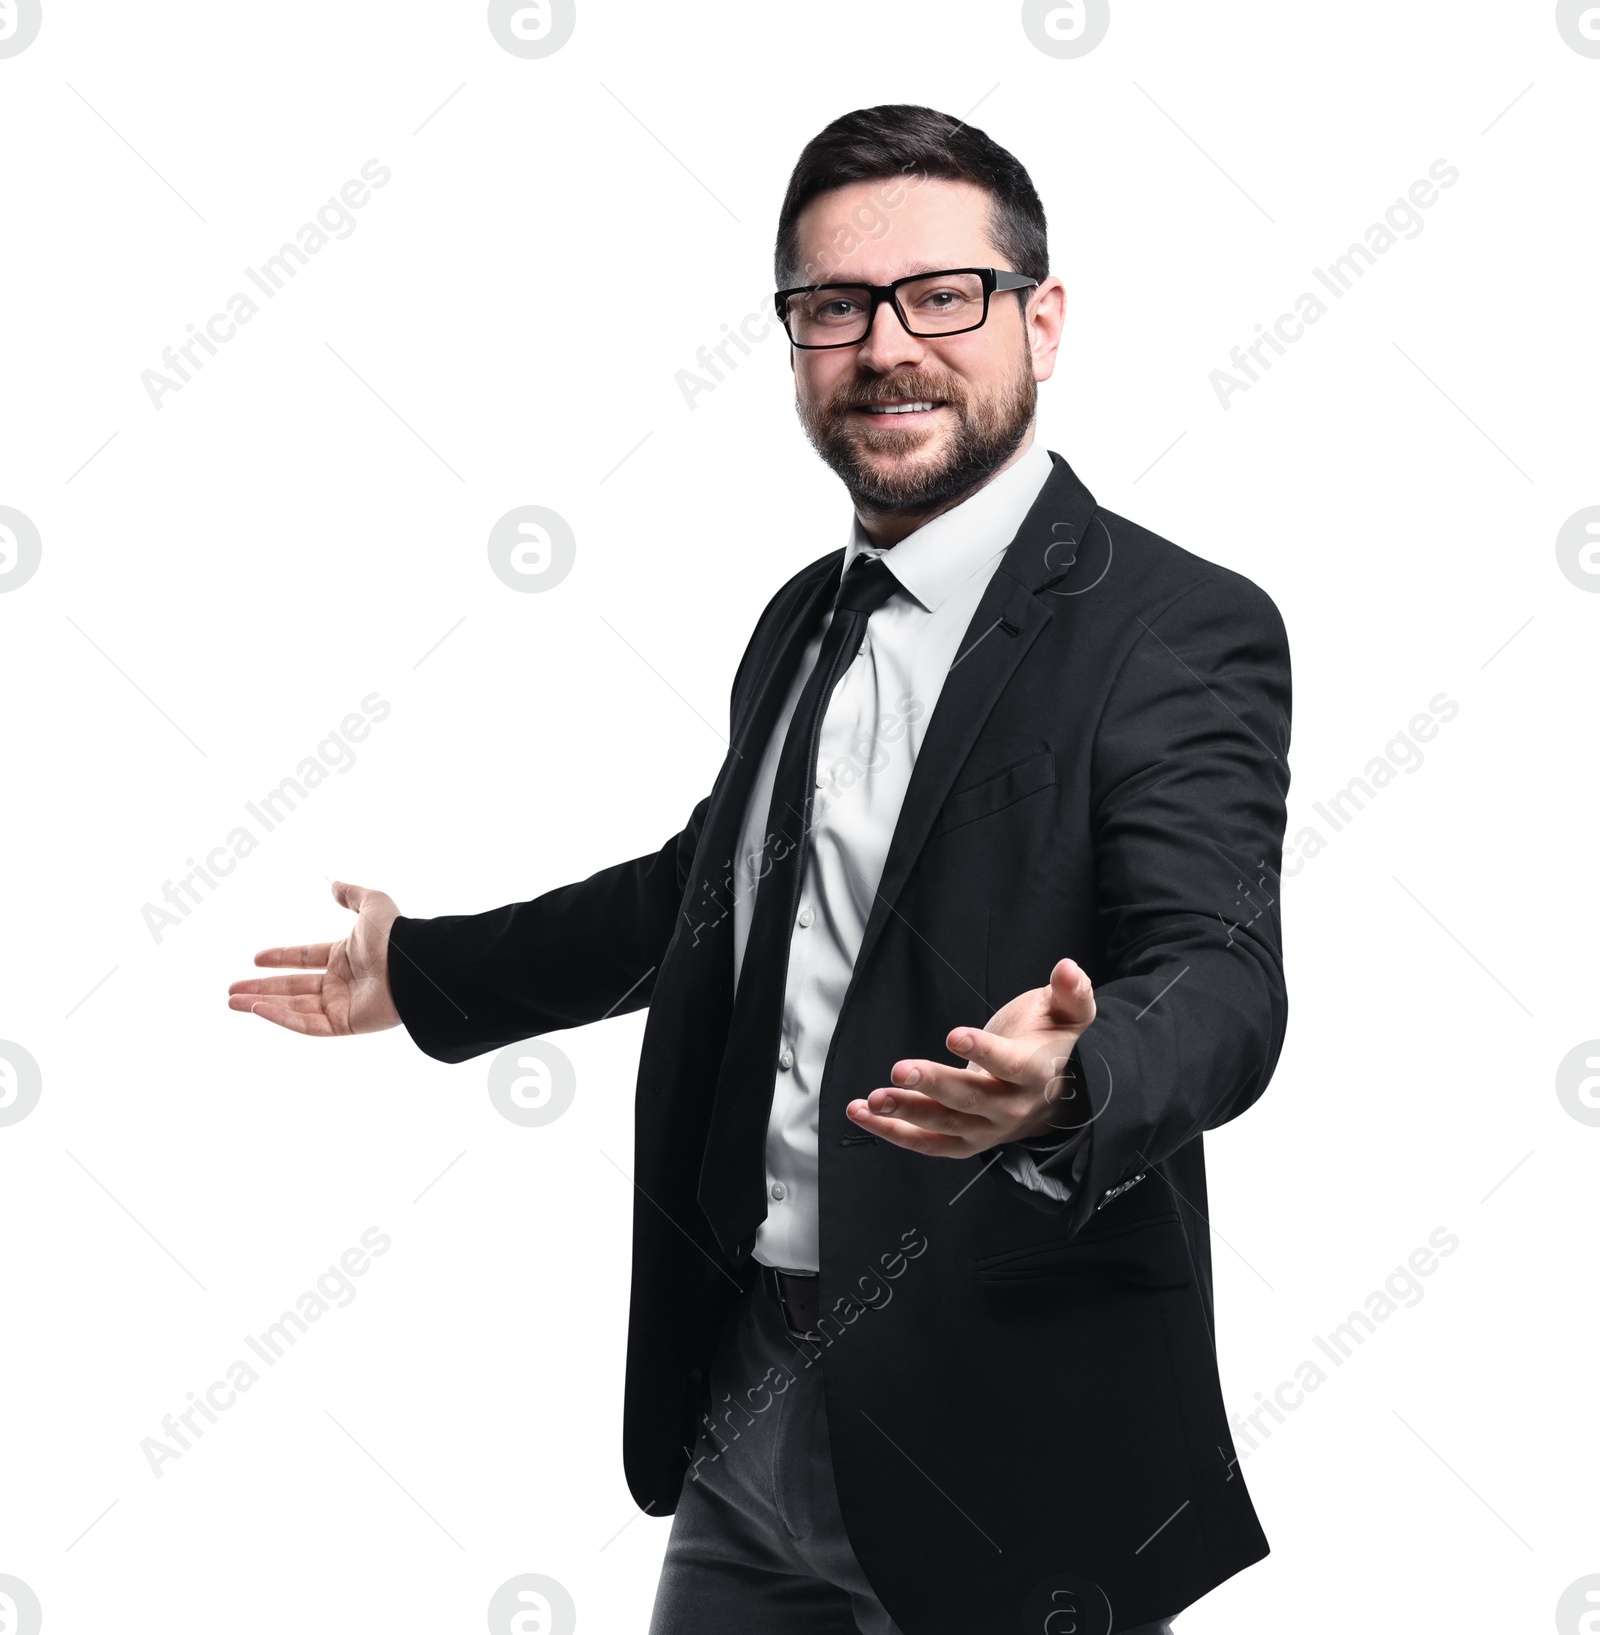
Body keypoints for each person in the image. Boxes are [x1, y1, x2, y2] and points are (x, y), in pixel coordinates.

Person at [230, 104, 1292, 1635]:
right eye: (833, 308)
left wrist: (1079, 1073)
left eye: (944, 296)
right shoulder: (807, 616)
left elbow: (1220, 972)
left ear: (1041, 322)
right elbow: (705, 899)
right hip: (753, 1395)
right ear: (793, 341)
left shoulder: (1175, 624)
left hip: (1007, 1429)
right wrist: (419, 971)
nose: (886, 346)